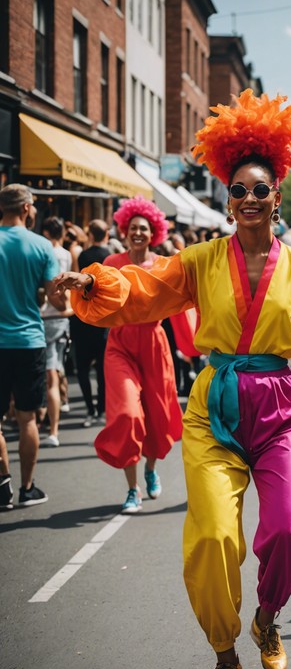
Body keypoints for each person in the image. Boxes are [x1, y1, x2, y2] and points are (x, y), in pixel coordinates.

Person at [54, 90, 291, 669]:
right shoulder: (201, 259)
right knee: (211, 537)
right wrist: (94, 279)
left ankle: (266, 616)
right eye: (238, 191)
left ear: (277, 197)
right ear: (226, 200)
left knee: (285, 530)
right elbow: (145, 288)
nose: (250, 199)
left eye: (260, 190)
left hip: (282, 409)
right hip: (215, 407)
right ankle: (225, 655)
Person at [83, 196, 183, 515]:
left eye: (144, 228)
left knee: (157, 416)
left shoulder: (163, 265)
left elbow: (184, 298)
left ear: (154, 232)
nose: (138, 232)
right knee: (127, 414)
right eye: (132, 228)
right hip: (120, 343)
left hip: (154, 343)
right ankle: (132, 489)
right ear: (124, 229)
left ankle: (150, 468)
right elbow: (94, 286)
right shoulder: (112, 262)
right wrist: (81, 285)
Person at [0, 184, 65, 508]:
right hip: (28, 340)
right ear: (26, 208)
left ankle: (2, 483)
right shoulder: (41, 246)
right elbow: (56, 297)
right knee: (27, 419)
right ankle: (27, 488)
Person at [71, 220, 111, 427]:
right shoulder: (111, 257)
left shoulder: (83, 256)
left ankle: (90, 409)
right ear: (107, 233)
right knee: (103, 370)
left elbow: (77, 286)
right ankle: (101, 409)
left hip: (84, 319)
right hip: (104, 321)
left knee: (84, 369)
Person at [39, 217, 74, 448]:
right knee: (53, 372)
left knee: (45, 375)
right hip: (58, 318)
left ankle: (40, 422)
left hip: (39, 317)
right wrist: (65, 307)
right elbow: (66, 287)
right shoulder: (66, 255)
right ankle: (52, 428)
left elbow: (49, 290)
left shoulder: (39, 251)